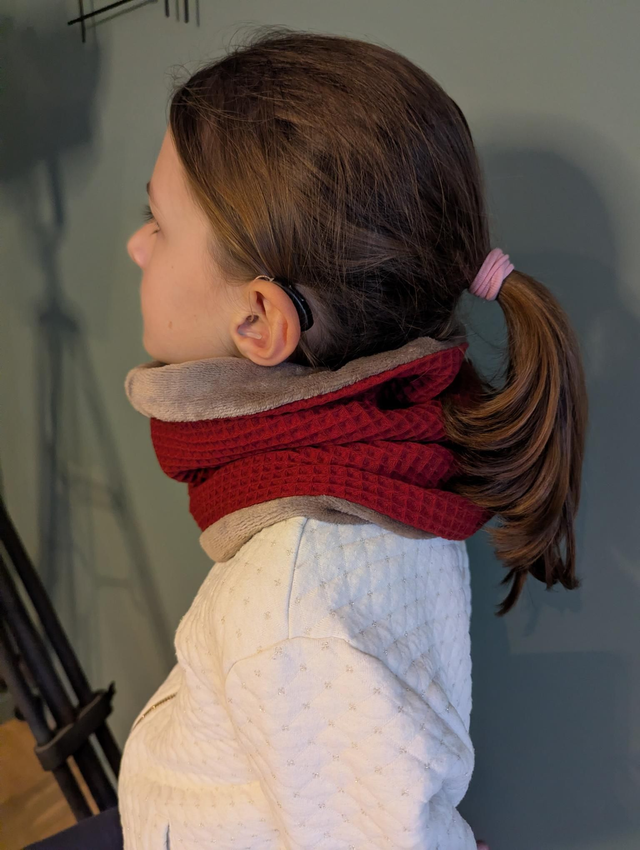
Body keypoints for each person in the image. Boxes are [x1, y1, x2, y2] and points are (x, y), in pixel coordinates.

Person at [65, 27, 588, 850]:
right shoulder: (394, 457)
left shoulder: (297, 605)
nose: (135, 245)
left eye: (155, 223)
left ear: (259, 319)